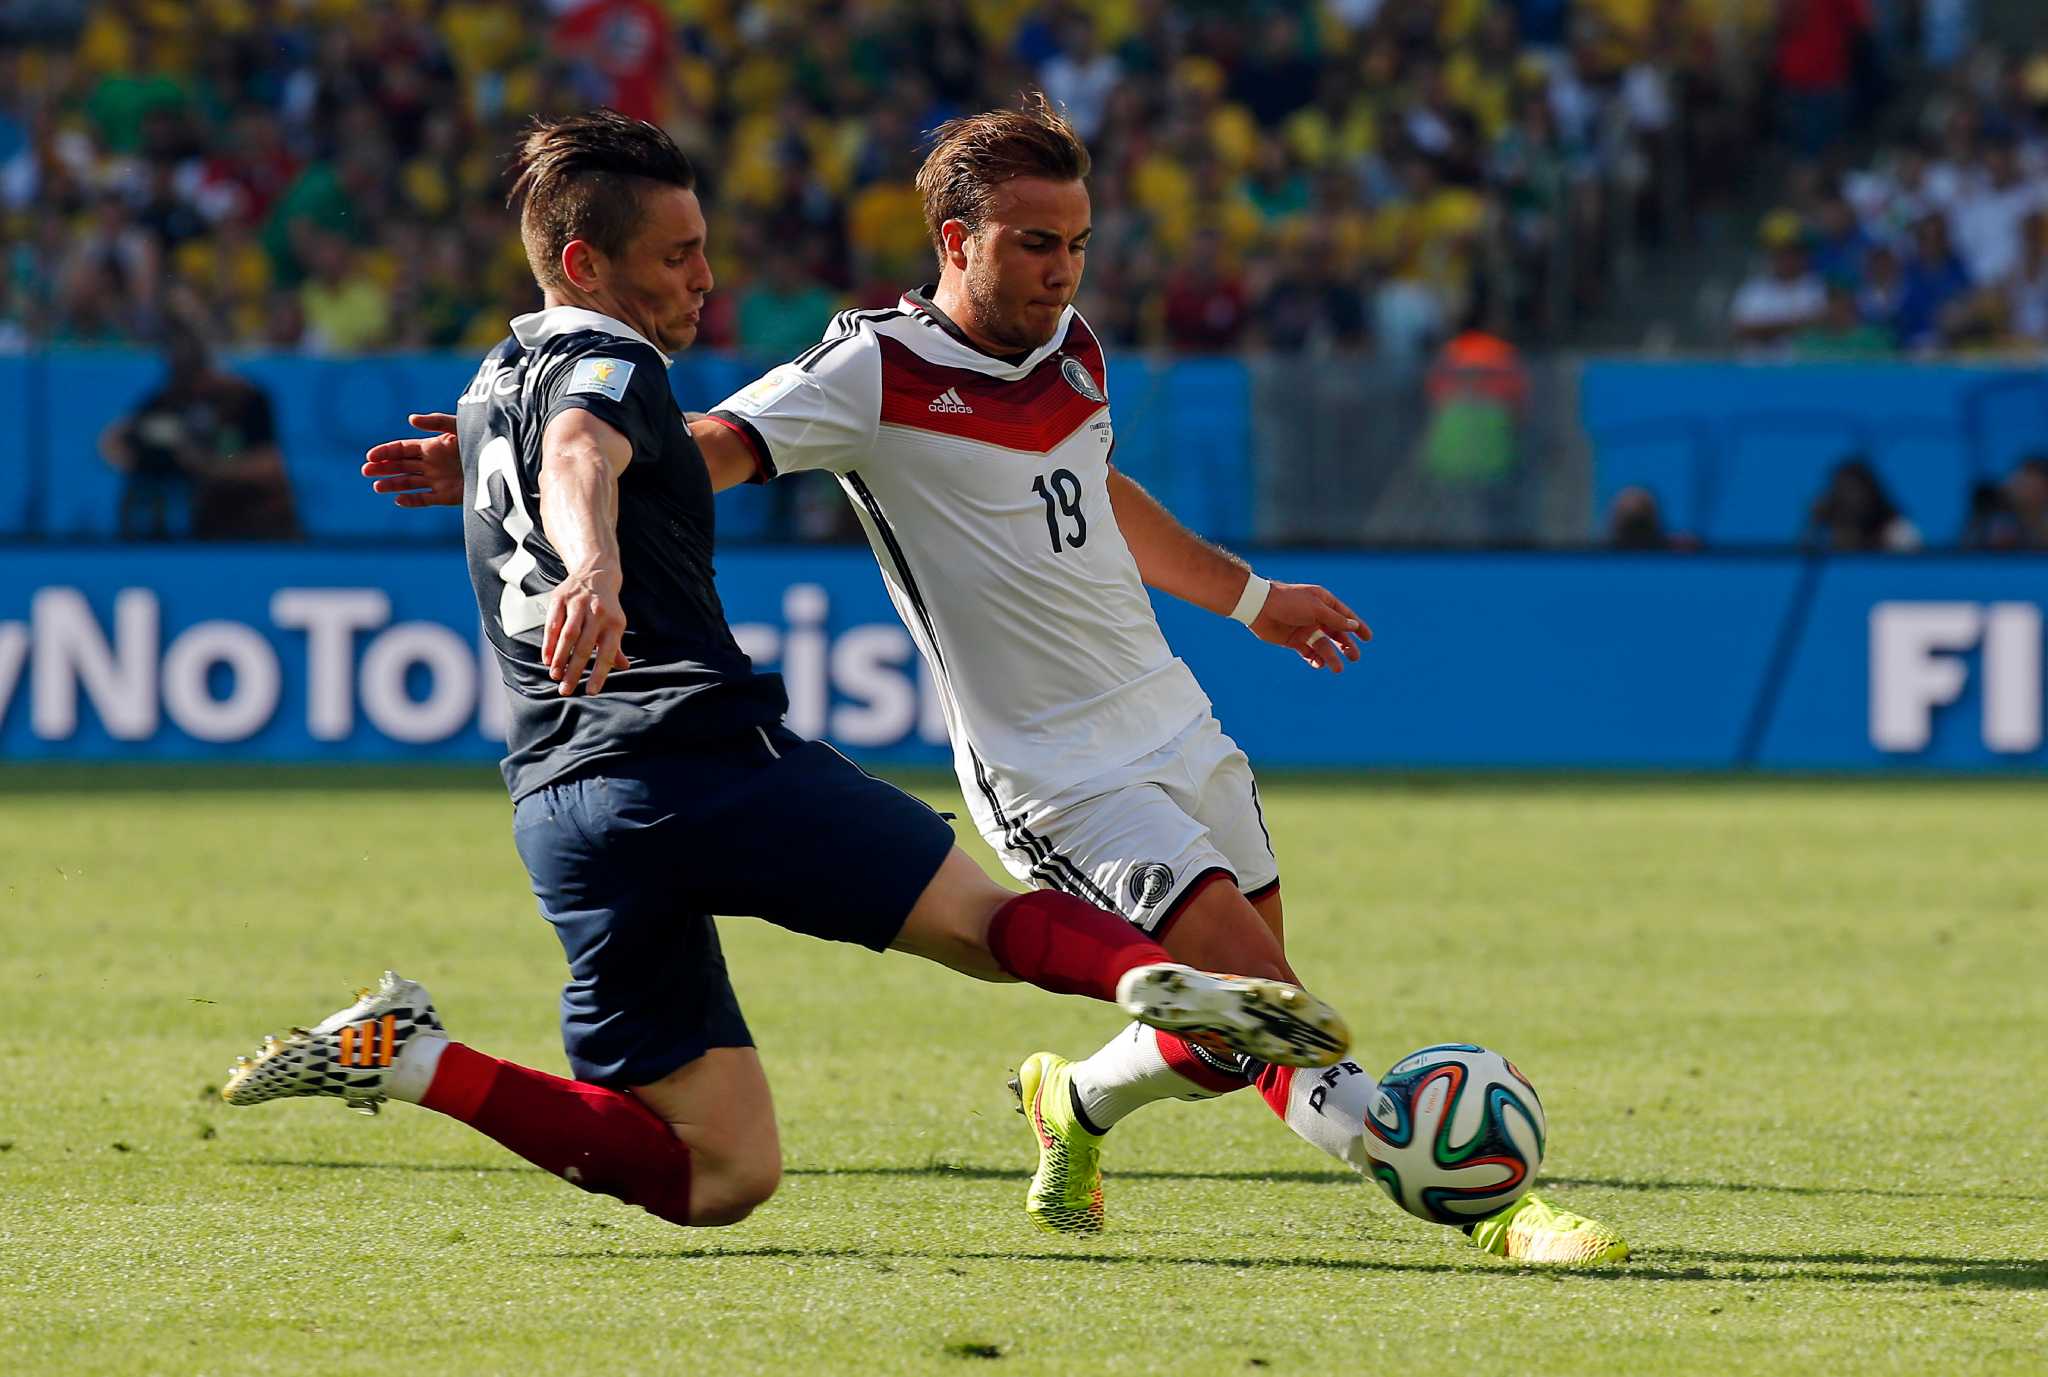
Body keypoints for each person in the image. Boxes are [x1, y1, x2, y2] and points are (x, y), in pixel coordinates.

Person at [364, 101, 1625, 1265]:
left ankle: (1068, 1099)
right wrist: (519, 450)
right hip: (1055, 770)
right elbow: (702, 446)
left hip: (1172, 721)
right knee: (1270, 1013)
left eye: (1075, 241)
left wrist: (1248, 599)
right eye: (1032, 244)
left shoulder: (1071, 349)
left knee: (1217, 1035)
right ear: (955, 240)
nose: (1061, 270)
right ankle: (1487, 1210)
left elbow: (1095, 488)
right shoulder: (866, 373)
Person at [221, 111, 1351, 1237]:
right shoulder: (636, 360)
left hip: (562, 808)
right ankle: (1398, 1147)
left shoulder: (491, 385)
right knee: (992, 928)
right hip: (706, 758)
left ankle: (410, 1059)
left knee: (720, 1175)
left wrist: (481, 452)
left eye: (1076, 244)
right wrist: (597, 562)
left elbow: (582, 442)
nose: (706, 279)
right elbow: (599, 448)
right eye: (678, 256)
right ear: (585, 267)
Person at [99, 313, 299, 540]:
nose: (192, 389)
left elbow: (270, 466)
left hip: (264, 528)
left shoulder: (244, 397)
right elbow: (113, 441)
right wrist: (148, 455)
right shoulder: (170, 399)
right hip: (210, 527)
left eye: (196, 376)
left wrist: (208, 466)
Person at [1808, 456, 1922, 551]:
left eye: (1855, 488)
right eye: (1843, 489)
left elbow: (1912, 545)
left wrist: (1873, 542)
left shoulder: (1893, 523)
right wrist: (1814, 526)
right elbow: (1807, 546)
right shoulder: (1827, 510)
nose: (1851, 496)